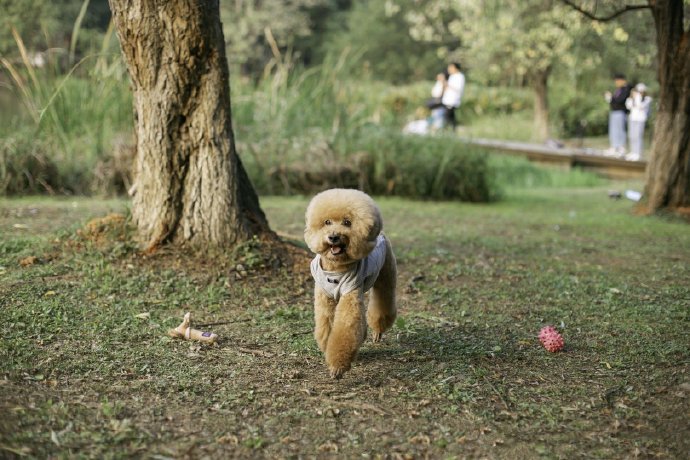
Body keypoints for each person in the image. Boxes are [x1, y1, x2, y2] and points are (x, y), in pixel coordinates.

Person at [604, 73, 633, 156]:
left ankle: (621, 147)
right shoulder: (618, 89)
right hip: (614, 111)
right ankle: (614, 146)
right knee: (613, 129)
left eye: (617, 80)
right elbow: (615, 100)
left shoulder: (626, 89)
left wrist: (612, 98)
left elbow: (620, 100)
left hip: (621, 112)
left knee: (620, 129)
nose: (616, 82)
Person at [625, 83, 652, 161]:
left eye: (641, 91)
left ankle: (638, 153)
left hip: (640, 119)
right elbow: (628, 106)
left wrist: (637, 97)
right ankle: (633, 152)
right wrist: (632, 98)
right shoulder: (632, 98)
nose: (639, 92)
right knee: (631, 135)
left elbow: (640, 106)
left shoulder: (647, 99)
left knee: (638, 136)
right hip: (632, 118)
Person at [441, 62, 465, 129]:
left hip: (453, 100)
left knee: (448, 116)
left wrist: (447, 84)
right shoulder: (452, 76)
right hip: (447, 99)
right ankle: (452, 131)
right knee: (451, 116)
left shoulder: (460, 76)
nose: (449, 69)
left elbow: (458, 88)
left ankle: (447, 130)